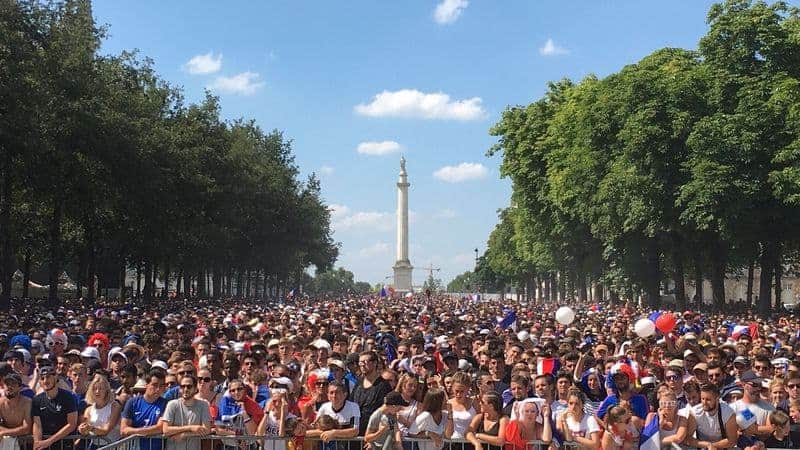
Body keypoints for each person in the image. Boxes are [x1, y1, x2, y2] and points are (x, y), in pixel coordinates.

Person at [120, 369, 169, 450]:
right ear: (147, 385)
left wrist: (135, 432)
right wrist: (147, 431)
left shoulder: (166, 404)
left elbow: (160, 428)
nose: (158, 389)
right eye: (155, 385)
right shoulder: (132, 402)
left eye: (161, 386)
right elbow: (124, 429)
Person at [31, 365, 78, 450]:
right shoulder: (37, 400)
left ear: (56, 377)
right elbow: (37, 424)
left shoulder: (68, 397)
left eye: (48, 377)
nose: (45, 381)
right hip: (45, 445)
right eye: (42, 378)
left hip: (64, 444)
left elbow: (72, 424)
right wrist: (37, 442)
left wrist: (49, 441)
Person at [162, 374, 212, 450]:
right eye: (182, 386)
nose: (185, 389)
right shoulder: (172, 404)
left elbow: (207, 429)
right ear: (179, 389)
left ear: (195, 389)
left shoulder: (203, 405)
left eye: (189, 386)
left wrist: (185, 434)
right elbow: (166, 430)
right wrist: (191, 428)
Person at [350, 351, 392, 435]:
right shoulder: (358, 383)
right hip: (355, 431)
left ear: (375, 363)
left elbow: (386, 411)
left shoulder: (384, 386)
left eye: (365, 362)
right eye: (360, 362)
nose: (362, 365)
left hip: (373, 433)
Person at [685, 383, 737, 449]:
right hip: (702, 447)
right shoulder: (694, 412)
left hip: (723, 447)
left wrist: (712, 446)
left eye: (708, 399)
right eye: (702, 399)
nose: (704, 402)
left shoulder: (728, 413)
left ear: (717, 399)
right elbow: (687, 438)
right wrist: (707, 445)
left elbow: (732, 441)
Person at [78, 374, 122, 449]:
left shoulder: (114, 406)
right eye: (94, 389)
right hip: (95, 446)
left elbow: (106, 430)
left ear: (106, 391)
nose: (97, 391)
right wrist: (82, 429)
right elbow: (85, 430)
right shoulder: (88, 410)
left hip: (112, 446)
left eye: (101, 388)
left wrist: (91, 428)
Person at [0, 373, 32, 450]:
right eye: (7, 384)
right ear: (3, 386)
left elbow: (27, 428)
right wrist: (10, 434)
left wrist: (5, 433)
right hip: (5, 440)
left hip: (26, 443)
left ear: (20, 387)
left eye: (13, 384)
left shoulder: (27, 403)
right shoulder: (0, 403)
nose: (9, 387)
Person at [444, 371, 476, 439]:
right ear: (452, 388)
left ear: (467, 389)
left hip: (470, 442)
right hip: (453, 443)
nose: (458, 394)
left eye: (462, 391)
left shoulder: (474, 403)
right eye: (457, 391)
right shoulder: (448, 404)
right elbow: (447, 434)